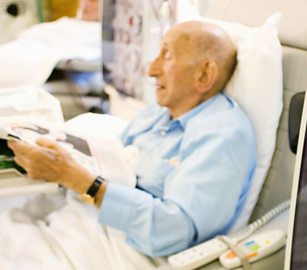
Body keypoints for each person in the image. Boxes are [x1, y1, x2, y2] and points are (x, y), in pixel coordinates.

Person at [5, 20, 256, 265]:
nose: (151, 70)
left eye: (167, 57)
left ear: (204, 74)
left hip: (120, 248)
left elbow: (176, 231)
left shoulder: (222, 134)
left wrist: (78, 179)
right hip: (78, 218)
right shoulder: (159, 114)